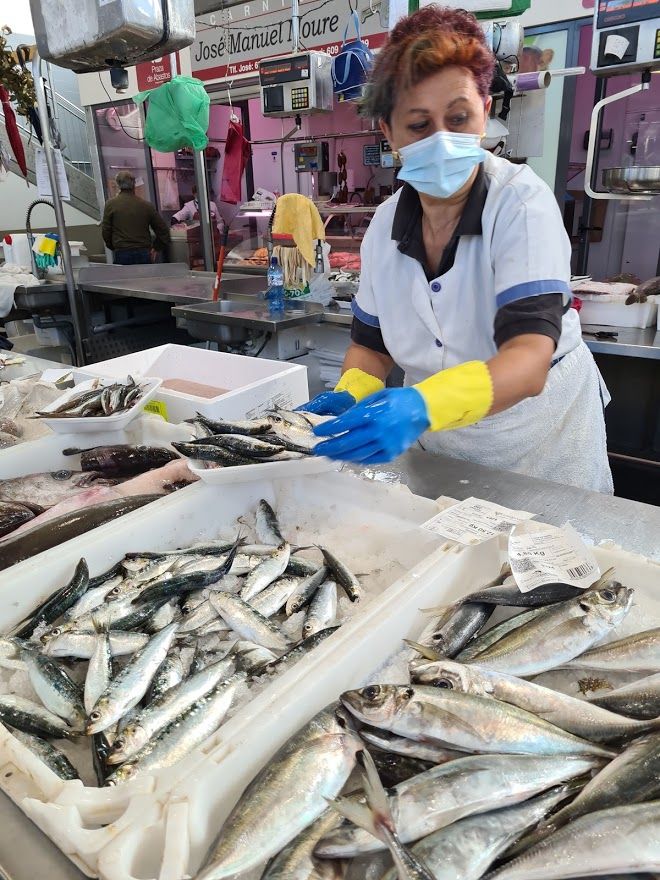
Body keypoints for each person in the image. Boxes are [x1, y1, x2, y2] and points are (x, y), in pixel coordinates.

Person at [306, 5, 612, 494]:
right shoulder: (384, 225)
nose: (443, 140)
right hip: (443, 445)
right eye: (419, 125)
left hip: (540, 441)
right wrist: (352, 393)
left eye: (459, 118)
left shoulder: (520, 203)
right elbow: (371, 346)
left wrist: (422, 405)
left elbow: (529, 358)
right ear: (387, 131)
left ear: (484, 113)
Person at [102, 171, 170, 265]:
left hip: (122, 252)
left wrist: (113, 246)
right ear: (134, 184)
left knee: (125, 279)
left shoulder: (111, 205)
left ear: (118, 185)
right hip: (144, 253)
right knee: (144, 279)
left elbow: (106, 231)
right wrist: (156, 247)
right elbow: (163, 230)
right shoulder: (146, 205)